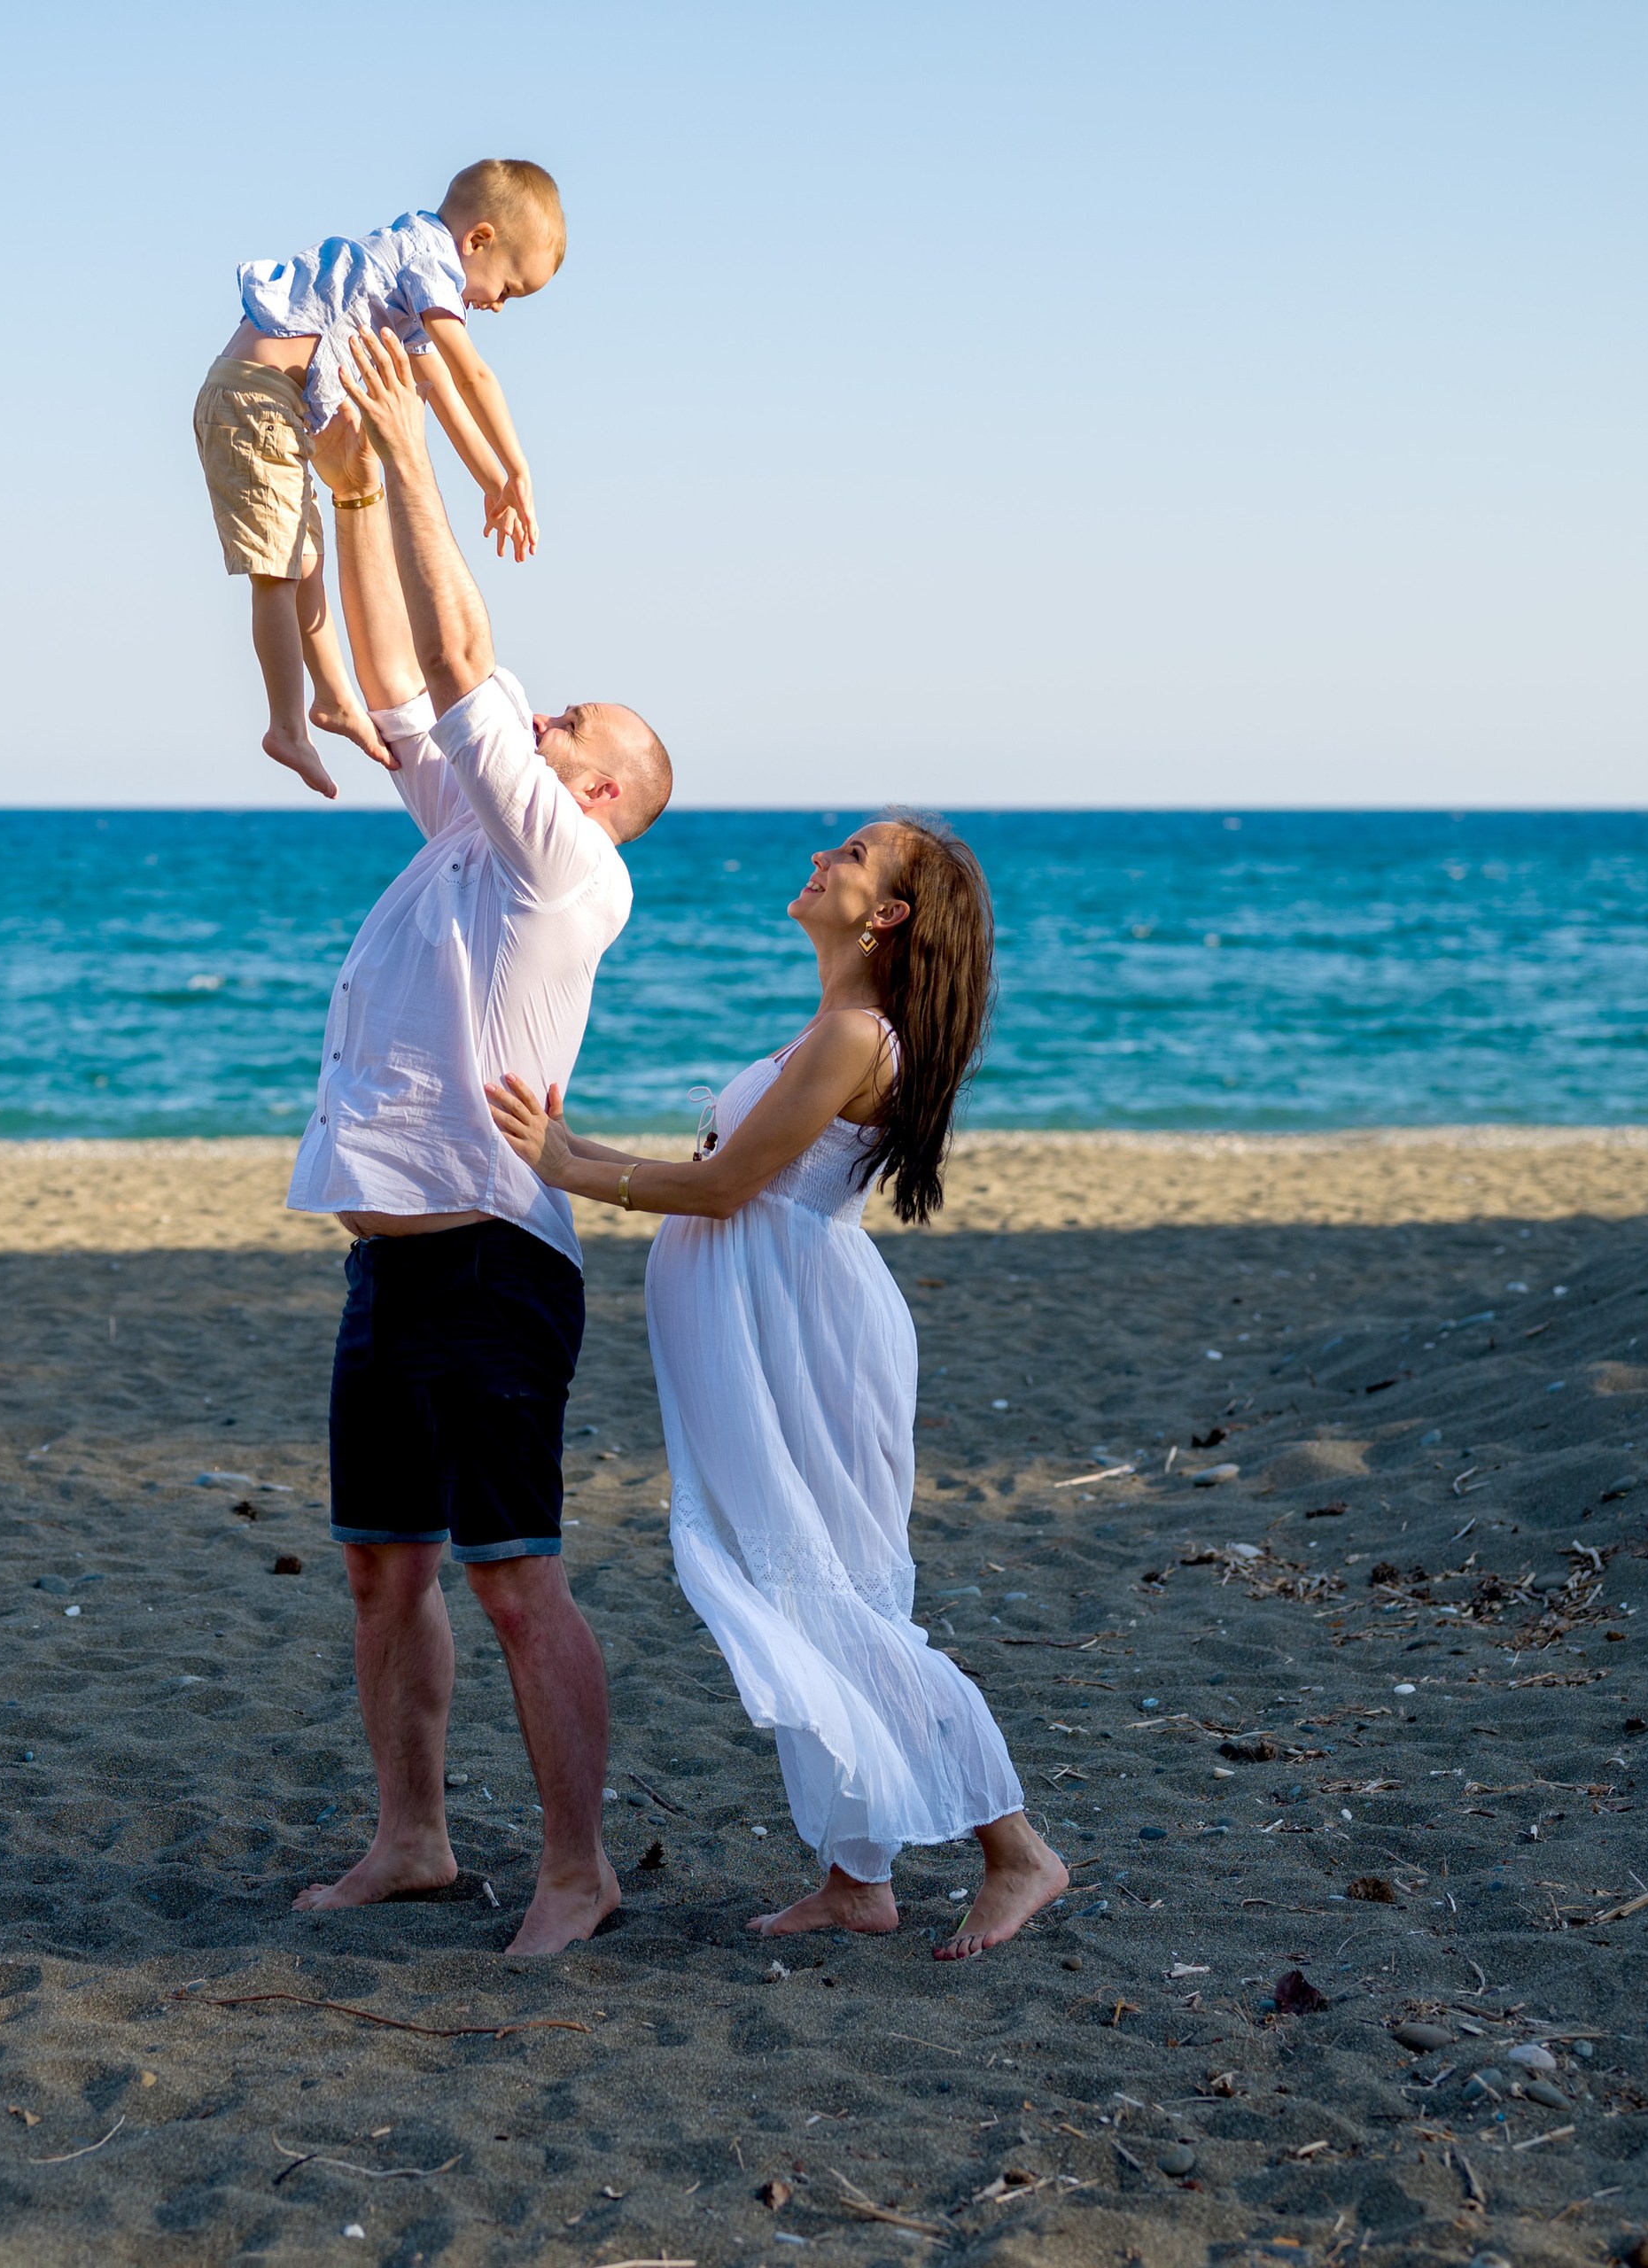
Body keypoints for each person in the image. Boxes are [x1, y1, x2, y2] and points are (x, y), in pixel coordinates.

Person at [486, 817, 1069, 1957]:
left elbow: (723, 1189)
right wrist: (569, 1153)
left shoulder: (854, 1033)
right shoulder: (832, 1030)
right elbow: (720, 1179)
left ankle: (1017, 1849)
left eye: (852, 854)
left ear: (886, 915)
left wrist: (570, 1169)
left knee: (827, 1593)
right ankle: (858, 1879)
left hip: (798, 1334)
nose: (823, 857)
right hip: (767, 1326)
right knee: (816, 1582)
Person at [285, 326, 672, 1957]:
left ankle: (576, 1871)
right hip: (392, 1263)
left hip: (499, 1261)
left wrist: (425, 465)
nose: (539, 715)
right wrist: (360, 485)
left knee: (516, 1579)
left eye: (566, 722)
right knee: (387, 1572)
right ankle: (417, 1843)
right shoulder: (473, 834)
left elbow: (458, 660)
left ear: (597, 790)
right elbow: (396, 680)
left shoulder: (570, 871)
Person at [194, 160, 564, 801]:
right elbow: (472, 375)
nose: (498, 307)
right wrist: (519, 467)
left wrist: (492, 484)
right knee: (279, 572)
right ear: (478, 240)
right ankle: (286, 723)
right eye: (508, 287)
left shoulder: (409, 276)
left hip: (269, 405)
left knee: (302, 561)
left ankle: (333, 699)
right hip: (252, 400)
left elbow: (439, 391)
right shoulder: (429, 263)